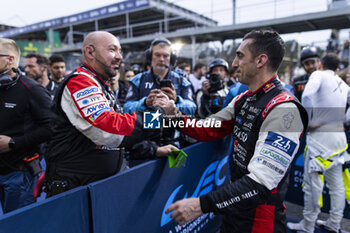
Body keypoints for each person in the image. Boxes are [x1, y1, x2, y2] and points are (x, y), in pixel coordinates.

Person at [165, 29, 308, 233]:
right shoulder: (244, 98)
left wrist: (200, 205)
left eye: (240, 56)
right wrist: (173, 118)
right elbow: (207, 127)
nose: (233, 64)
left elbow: (261, 184)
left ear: (260, 60)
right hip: (234, 210)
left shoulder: (285, 109)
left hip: (260, 219)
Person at [44, 31, 177, 197]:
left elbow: (119, 139)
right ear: (90, 52)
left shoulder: (99, 84)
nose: (119, 57)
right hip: (76, 191)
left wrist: (154, 150)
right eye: (112, 50)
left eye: (120, 51)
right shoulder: (81, 82)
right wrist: (159, 114)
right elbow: (110, 131)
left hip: (96, 186)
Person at [287, 53, 350, 233]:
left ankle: (307, 225)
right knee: (336, 184)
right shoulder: (342, 83)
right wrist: (342, 120)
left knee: (312, 184)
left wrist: (308, 121)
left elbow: (307, 95)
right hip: (339, 139)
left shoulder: (318, 75)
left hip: (320, 139)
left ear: (321, 64)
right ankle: (334, 223)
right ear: (337, 67)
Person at [0, 38, 53, 213]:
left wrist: (14, 142)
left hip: (19, 175)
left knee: (17, 226)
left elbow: (52, 127)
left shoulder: (32, 89)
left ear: (10, 59)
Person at [123, 38, 196, 116]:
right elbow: (126, 108)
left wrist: (176, 100)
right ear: (150, 56)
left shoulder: (182, 81)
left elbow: (192, 108)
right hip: (147, 126)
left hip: (173, 126)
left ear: (171, 59)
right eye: (157, 55)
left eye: (165, 56)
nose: (161, 59)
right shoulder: (137, 80)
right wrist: (145, 103)